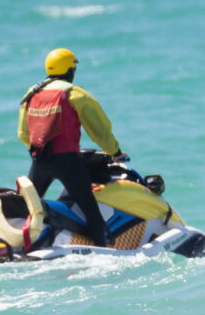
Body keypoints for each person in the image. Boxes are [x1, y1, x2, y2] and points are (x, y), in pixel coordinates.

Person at [17, 48, 126, 247]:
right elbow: (99, 129)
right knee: (90, 208)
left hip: (39, 160)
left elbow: (24, 133)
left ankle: (16, 244)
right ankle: (102, 249)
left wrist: (40, 152)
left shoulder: (32, 93)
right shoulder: (75, 93)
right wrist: (115, 152)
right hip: (67, 161)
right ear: (70, 69)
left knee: (25, 207)